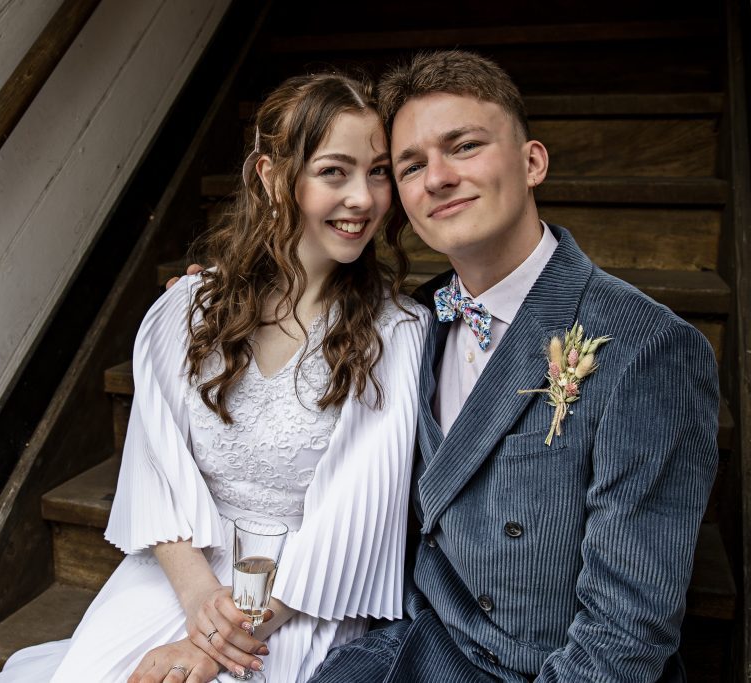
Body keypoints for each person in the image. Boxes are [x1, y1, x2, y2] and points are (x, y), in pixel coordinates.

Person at [0, 71, 430, 683]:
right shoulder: (187, 307)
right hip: (179, 575)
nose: (363, 197)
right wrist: (200, 604)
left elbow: (357, 515)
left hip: (301, 597)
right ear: (271, 176)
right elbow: (157, 469)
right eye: (335, 171)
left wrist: (222, 641)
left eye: (378, 171)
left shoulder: (398, 333)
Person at [307, 50, 719, 682]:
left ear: (532, 163)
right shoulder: (411, 321)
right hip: (418, 651)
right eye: (411, 165)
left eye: (464, 146)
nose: (437, 177)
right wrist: (217, 295)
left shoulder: (650, 349)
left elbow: (624, 634)